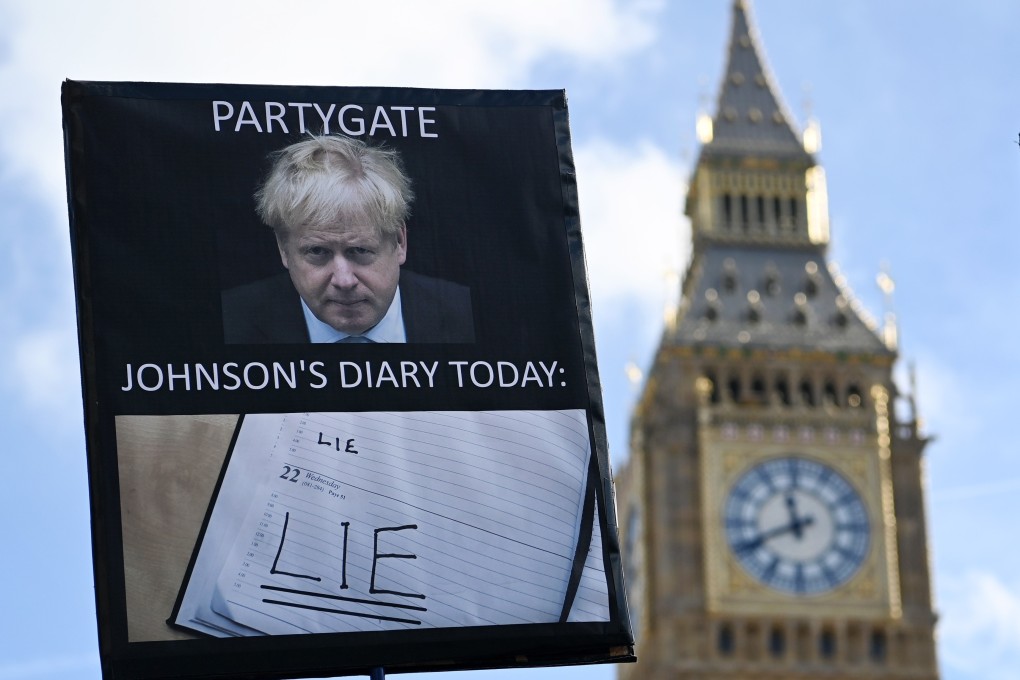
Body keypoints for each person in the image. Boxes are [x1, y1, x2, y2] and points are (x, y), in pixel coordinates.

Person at [222, 135, 474, 344]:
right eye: (318, 252)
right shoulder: (231, 324)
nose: (343, 281)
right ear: (283, 250)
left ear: (399, 241)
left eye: (360, 250)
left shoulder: (468, 317)